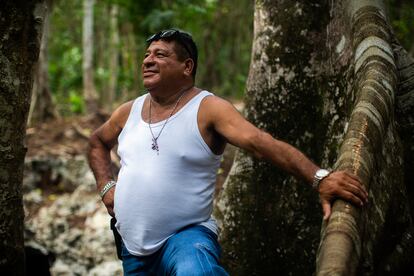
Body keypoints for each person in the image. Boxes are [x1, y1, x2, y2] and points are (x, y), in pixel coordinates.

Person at [88, 29, 368, 275]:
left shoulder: (207, 108)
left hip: (185, 239)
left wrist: (319, 177)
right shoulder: (129, 110)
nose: (147, 60)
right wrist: (106, 186)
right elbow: (97, 143)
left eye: (160, 55)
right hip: (132, 250)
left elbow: (260, 143)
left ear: (187, 67)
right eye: (147, 54)